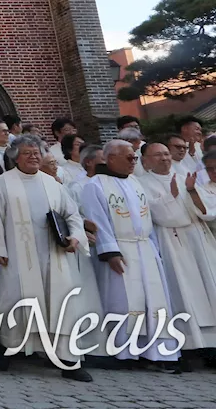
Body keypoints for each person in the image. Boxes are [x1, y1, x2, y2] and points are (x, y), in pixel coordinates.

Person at [0, 134, 92, 380]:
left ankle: (68, 361)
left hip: (54, 254)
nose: (33, 157)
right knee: (16, 300)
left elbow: (72, 214)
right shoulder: (3, 183)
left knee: (60, 303)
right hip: (18, 254)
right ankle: (9, 349)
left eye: (37, 153)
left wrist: (75, 236)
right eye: (27, 153)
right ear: (15, 157)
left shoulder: (52, 183)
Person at [80, 140, 180, 371]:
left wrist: (154, 248)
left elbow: (147, 220)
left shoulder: (135, 182)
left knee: (154, 303)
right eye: (129, 158)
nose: (133, 162)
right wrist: (110, 251)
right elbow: (98, 222)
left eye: (135, 158)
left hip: (144, 248)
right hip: (120, 250)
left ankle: (157, 351)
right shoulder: (95, 185)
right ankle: (126, 351)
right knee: (124, 302)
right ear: (111, 158)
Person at [138, 141, 216, 356]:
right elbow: (161, 216)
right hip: (173, 242)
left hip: (198, 238)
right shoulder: (141, 184)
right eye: (157, 155)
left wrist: (190, 191)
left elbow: (207, 210)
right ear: (145, 160)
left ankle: (212, 346)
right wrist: (172, 197)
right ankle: (190, 346)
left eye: (166, 154)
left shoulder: (185, 178)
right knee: (184, 291)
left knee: (210, 289)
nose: (164, 158)